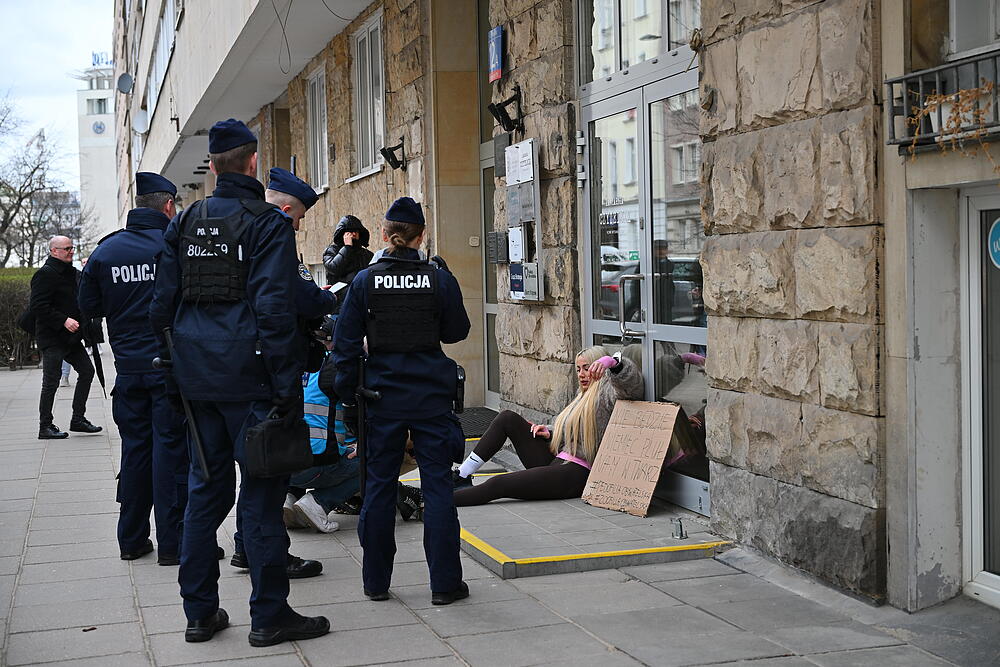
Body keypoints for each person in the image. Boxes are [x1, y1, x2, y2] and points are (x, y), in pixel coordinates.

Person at [149, 118, 329, 647]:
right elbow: (274, 310)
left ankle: (200, 614)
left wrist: (173, 365)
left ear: (213, 165)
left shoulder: (184, 222)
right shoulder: (265, 222)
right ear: (252, 163)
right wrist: (284, 385)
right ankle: (270, 615)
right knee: (259, 499)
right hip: (252, 383)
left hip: (197, 382)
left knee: (204, 495)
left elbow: (161, 306)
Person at [333, 196, 471, 606]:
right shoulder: (437, 277)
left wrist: (347, 400)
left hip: (382, 397)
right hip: (430, 397)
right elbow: (457, 332)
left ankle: (375, 582)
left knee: (377, 487)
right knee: (438, 488)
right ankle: (445, 584)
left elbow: (344, 346)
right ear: (421, 236)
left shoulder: (365, 280)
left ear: (383, 233)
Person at [228, 167, 334, 578]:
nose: (299, 225)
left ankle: (244, 547)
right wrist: (324, 300)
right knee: (269, 469)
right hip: (270, 370)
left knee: (250, 467)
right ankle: (267, 556)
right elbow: (295, 296)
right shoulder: (274, 234)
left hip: (229, 367)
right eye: (301, 217)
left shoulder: (232, 227)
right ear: (287, 209)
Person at [78, 172, 190, 563]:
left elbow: (88, 308)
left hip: (128, 371)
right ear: (169, 206)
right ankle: (173, 545)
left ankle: (131, 540)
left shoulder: (106, 252)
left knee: (136, 453)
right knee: (171, 454)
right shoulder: (175, 245)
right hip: (170, 370)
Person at [452, 345, 644, 506]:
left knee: (498, 484)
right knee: (507, 418)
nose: (582, 375)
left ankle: (436, 502)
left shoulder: (608, 394)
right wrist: (550, 432)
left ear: (598, 368)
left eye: (587, 368)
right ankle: (462, 475)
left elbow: (632, 385)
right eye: (578, 369)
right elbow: (574, 428)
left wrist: (612, 362)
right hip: (558, 461)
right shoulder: (582, 394)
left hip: (577, 474)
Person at [29, 235, 102, 439]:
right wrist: (64, 320)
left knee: (87, 372)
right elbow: (38, 306)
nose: (71, 251)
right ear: (54, 251)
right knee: (50, 382)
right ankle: (45, 426)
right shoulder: (45, 274)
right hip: (52, 337)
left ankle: (78, 419)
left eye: (72, 247)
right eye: (66, 248)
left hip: (71, 339)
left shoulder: (72, 273)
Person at [323, 214, 373, 296]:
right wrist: (347, 247)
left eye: (356, 231)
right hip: (340, 299)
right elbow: (334, 268)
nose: (353, 234)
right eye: (349, 232)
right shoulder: (332, 251)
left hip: (361, 297)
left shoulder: (366, 254)